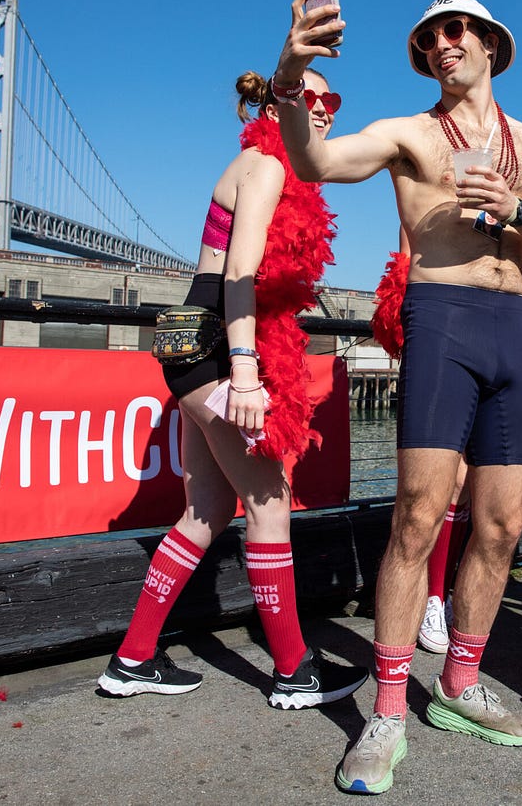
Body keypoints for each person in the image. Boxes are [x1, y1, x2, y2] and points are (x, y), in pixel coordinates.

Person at [272, 0, 522, 795]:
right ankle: (386, 710)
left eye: (457, 30)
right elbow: (316, 161)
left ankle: (457, 683)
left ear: (490, 43)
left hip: (514, 326)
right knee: (418, 514)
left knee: (503, 521)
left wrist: (517, 211)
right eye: (430, 37)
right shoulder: (413, 134)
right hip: (442, 313)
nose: (442, 43)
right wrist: (291, 73)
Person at [97, 69, 367, 711]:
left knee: (207, 510)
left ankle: (131, 659)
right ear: (279, 104)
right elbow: (241, 271)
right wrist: (246, 368)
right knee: (270, 503)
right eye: (313, 100)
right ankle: (295, 670)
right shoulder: (266, 166)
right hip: (219, 344)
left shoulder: (261, 164)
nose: (325, 111)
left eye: (333, 101)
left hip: (186, 338)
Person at [370, 236, 472, 656]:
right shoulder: (431, 190)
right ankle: (431, 598)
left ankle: (444, 591)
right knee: (436, 484)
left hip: (489, 324)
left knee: (468, 482)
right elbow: (407, 258)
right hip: (440, 327)